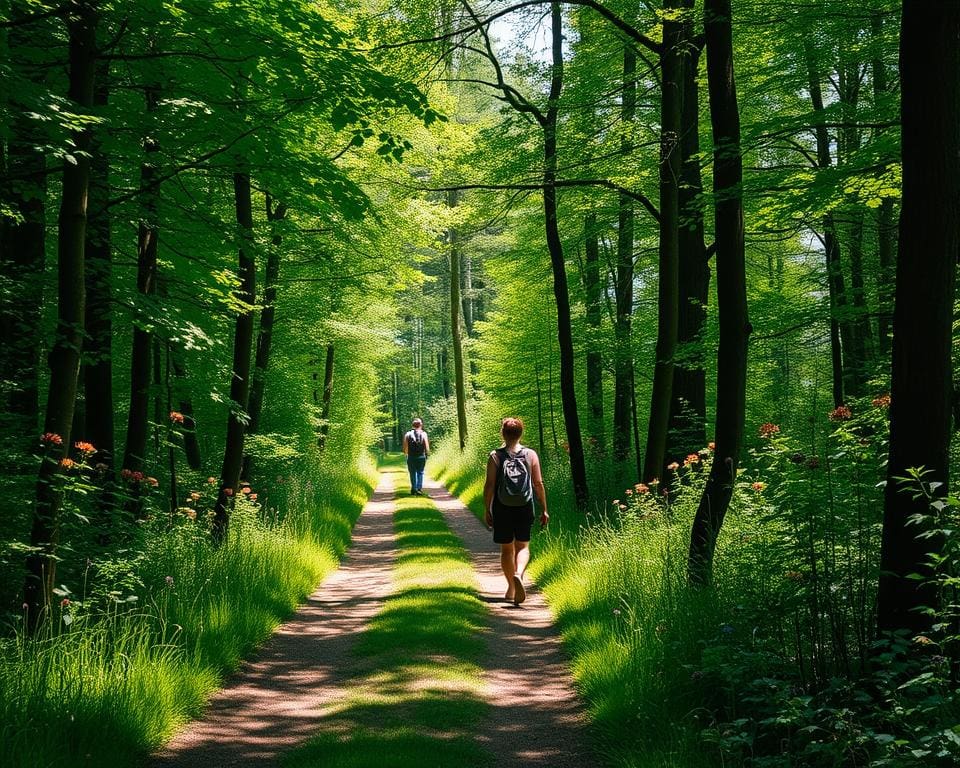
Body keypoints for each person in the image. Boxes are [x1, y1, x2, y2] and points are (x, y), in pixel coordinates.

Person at [483, 417, 548, 605]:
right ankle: (519, 574)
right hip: (525, 505)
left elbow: (489, 485)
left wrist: (487, 509)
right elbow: (538, 483)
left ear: (502, 433)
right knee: (523, 546)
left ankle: (511, 587)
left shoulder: (495, 456)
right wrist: (544, 508)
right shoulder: (531, 455)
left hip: (502, 507)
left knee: (506, 549)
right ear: (521, 433)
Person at [402, 417, 430, 496]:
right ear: (421, 425)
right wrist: (427, 454)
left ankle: (413, 488)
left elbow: (404, 448)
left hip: (411, 457)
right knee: (420, 472)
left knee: (412, 473)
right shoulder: (424, 434)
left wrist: (407, 454)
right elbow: (427, 447)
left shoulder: (407, 434)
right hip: (421, 456)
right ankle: (419, 489)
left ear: (412, 425)